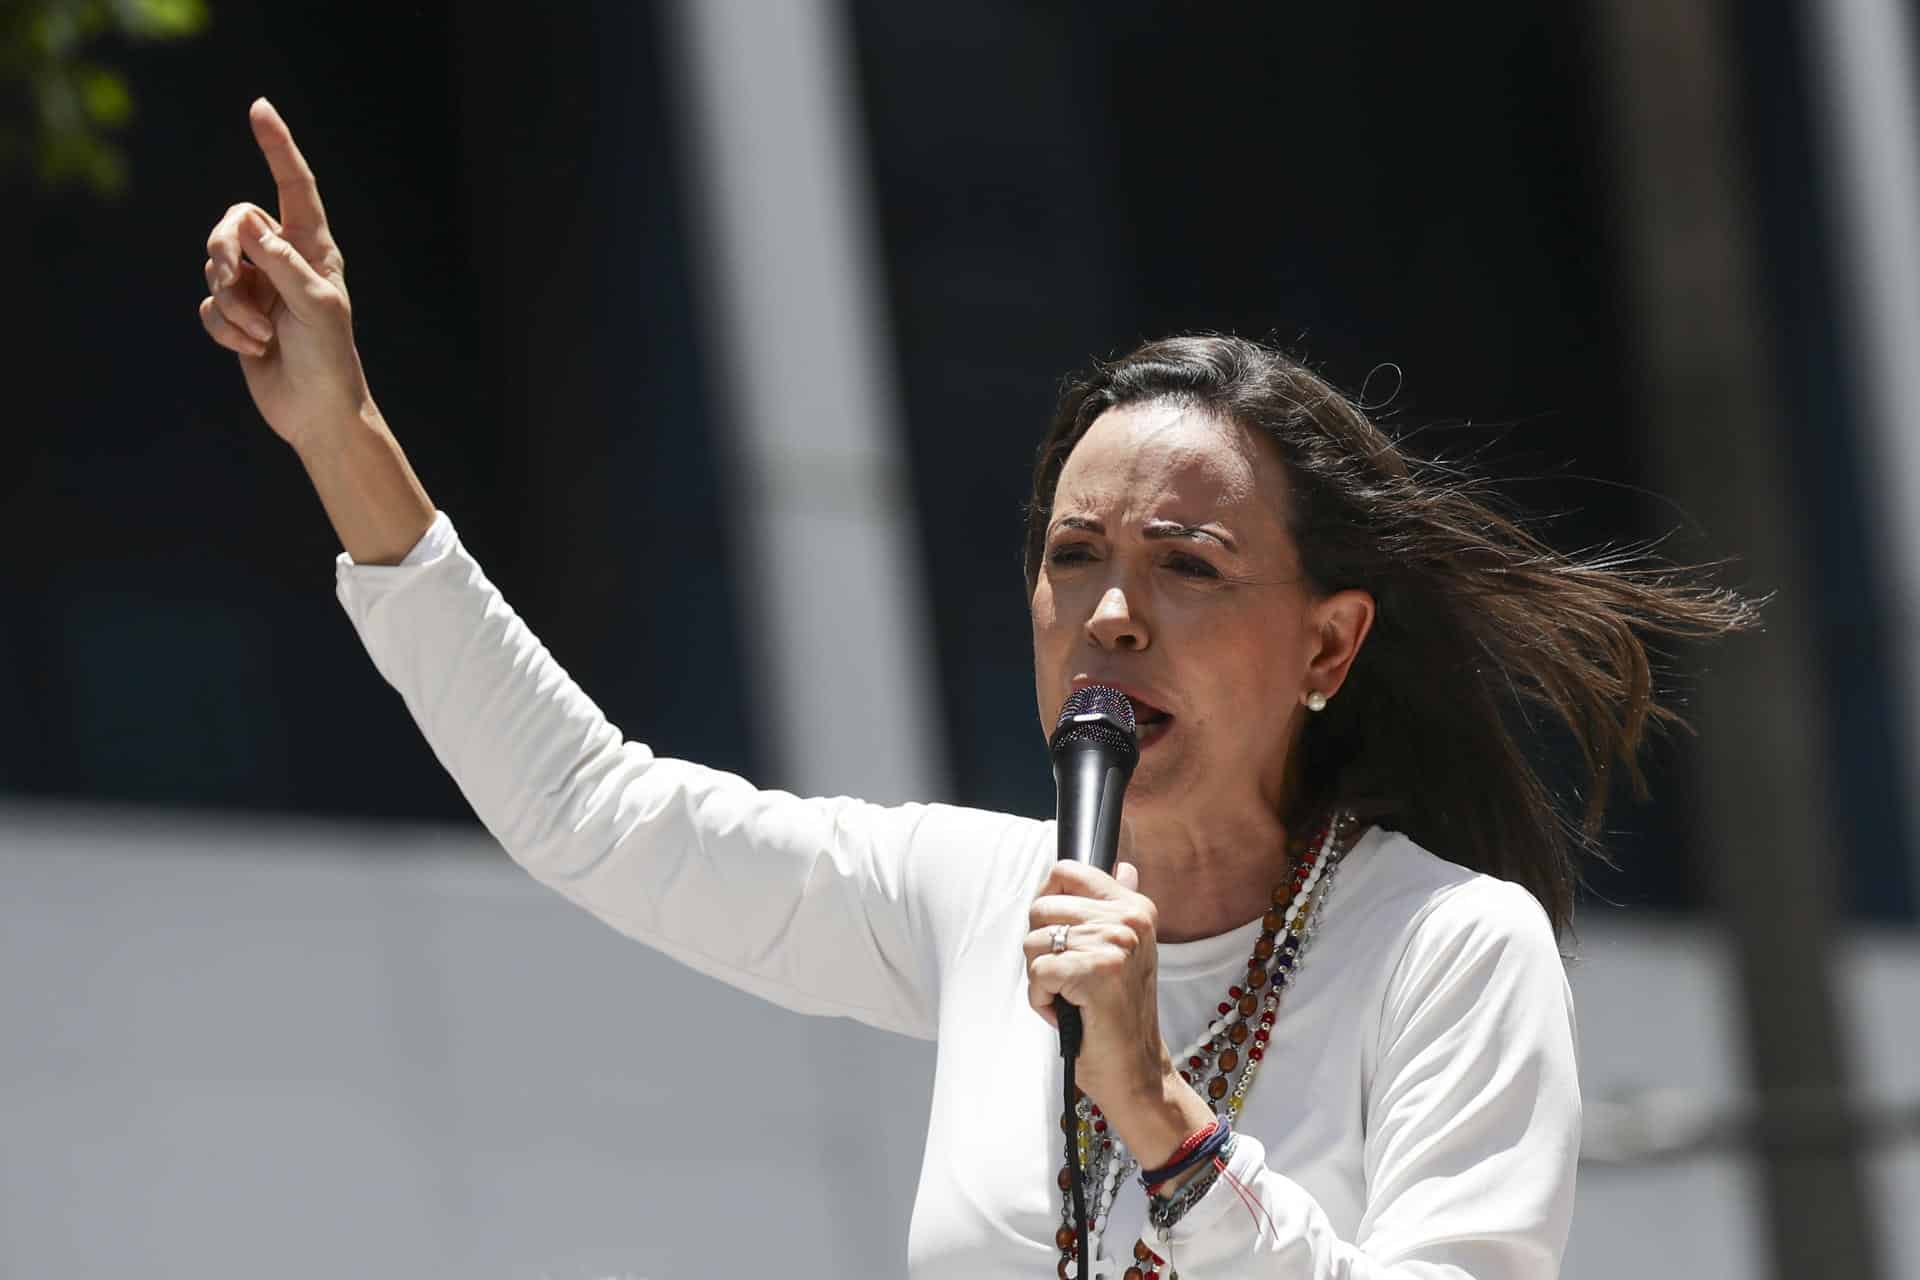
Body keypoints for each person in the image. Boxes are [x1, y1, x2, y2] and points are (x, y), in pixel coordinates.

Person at [199, 98, 1756, 1279]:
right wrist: (343, 435)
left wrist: (1161, 1113)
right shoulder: (977, 896)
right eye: (1072, 557)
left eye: (1189, 565)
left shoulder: (1447, 951)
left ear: (1332, 646)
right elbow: (596, 814)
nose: (1112, 616)